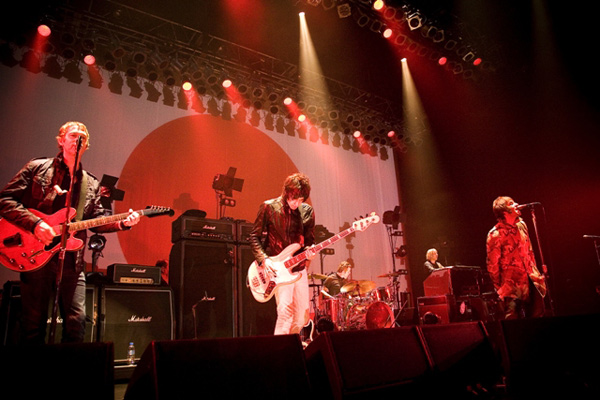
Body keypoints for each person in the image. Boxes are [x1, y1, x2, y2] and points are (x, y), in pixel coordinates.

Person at [0, 121, 140, 344]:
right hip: (35, 257)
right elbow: (5, 200)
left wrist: (122, 224)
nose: (78, 139)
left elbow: (95, 222)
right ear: (61, 140)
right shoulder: (37, 168)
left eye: (82, 137)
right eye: (73, 135)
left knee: (76, 325)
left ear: (87, 146)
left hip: (72, 263)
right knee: (33, 326)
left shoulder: (90, 183)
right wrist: (36, 224)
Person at [249, 172, 315, 335]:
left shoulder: (307, 211)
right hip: (278, 270)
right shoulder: (269, 207)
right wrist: (264, 260)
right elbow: (254, 236)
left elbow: (309, 240)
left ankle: (291, 344)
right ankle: (281, 348)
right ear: (286, 192)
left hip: (299, 269)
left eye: (301, 199)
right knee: (285, 314)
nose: (297, 203)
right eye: (294, 198)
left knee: (302, 318)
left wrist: (310, 252)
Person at [486, 196, 546, 319]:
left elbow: (530, 251)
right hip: (511, 288)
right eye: (511, 203)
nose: (517, 204)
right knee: (513, 321)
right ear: (504, 211)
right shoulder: (495, 234)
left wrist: (536, 273)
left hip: (531, 281)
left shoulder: (521, 225)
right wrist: (500, 288)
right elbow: (492, 265)